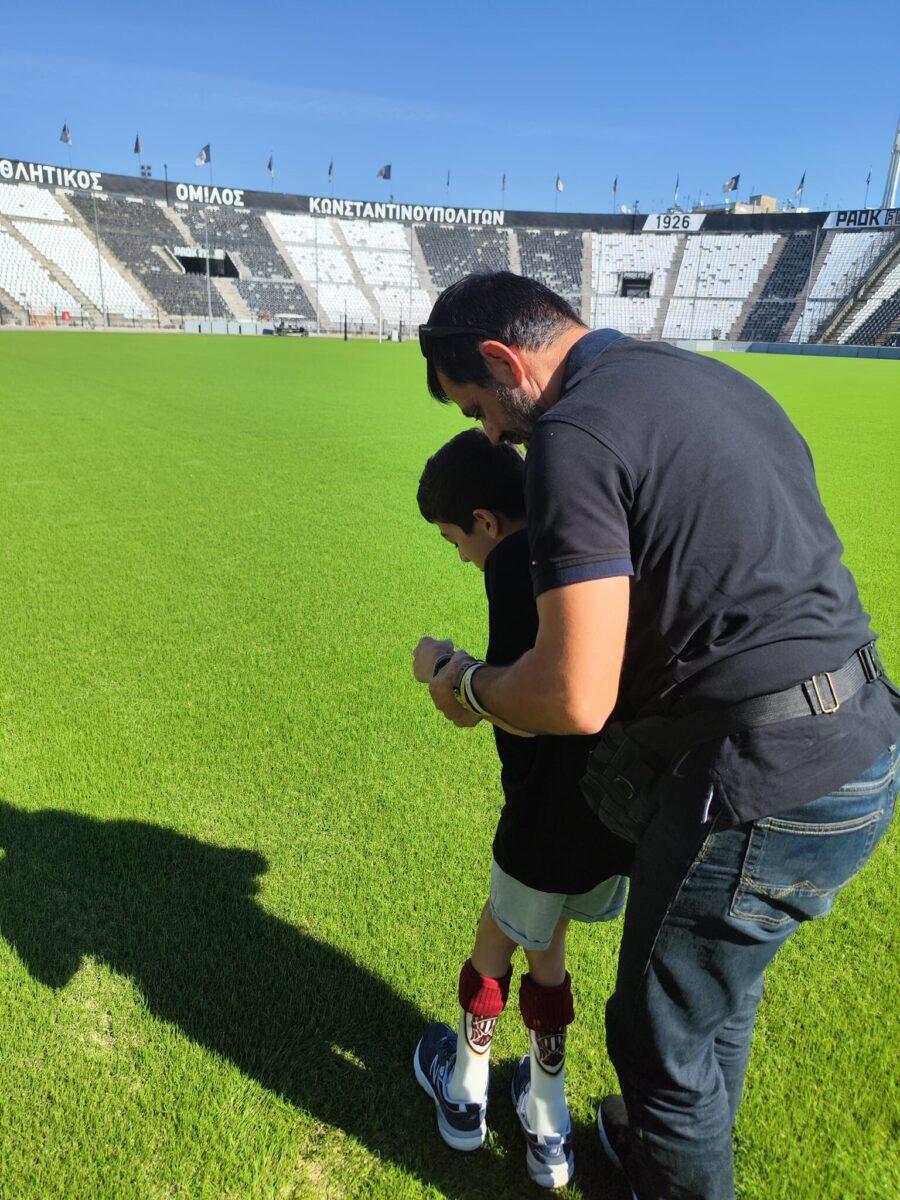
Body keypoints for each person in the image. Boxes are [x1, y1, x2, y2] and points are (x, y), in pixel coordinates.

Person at [416, 272, 900, 1200]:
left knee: (656, 1041)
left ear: (504, 360)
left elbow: (574, 694)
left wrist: (468, 686)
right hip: (866, 743)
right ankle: (652, 1153)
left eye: (480, 407)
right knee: (716, 998)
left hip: (760, 776)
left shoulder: (573, 431)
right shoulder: (710, 379)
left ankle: (668, 1162)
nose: (492, 437)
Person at [411, 429, 632, 1190]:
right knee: (548, 947)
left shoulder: (513, 565)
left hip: (542, 818)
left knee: (496, 941)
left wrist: (444, 670)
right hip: (608, 818)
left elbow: (520, 702)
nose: (461, 557)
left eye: (456, 541)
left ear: (486, 521)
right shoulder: (581, 543)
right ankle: (547, 1124)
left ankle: (470, 1095)